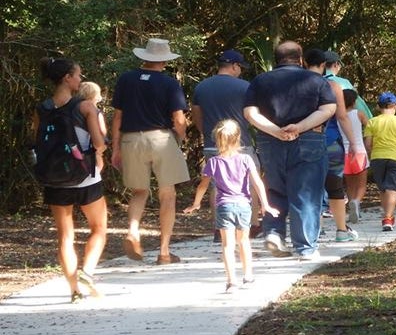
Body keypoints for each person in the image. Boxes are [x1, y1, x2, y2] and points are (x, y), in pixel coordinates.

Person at [243, 41, 338, 261]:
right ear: (301, 58)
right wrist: (300, 127)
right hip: (308, 139)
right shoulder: (315, 80)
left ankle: (275, 234)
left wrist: (275, 131)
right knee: (306, 192)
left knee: (275, 190)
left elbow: (250, 113)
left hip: (269, 141)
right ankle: (305, 247)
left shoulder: (260, 81)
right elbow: (328, 108)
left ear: (276, 59)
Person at [33, 57, 108, 303]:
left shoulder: (42, 108)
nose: (80, 79)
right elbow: (98, 142)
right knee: (98, 228)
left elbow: (36, 144)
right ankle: (87, 272)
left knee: (65, 236)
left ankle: (74, 290)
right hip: (86, 177)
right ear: (67, 77)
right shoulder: (85, 106)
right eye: (77, 75)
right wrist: (99, 154)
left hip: (54, 179)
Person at [111, 38, 191, 265]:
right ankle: (164, 252)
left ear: (144, 57)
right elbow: (178, 118)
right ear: (164, 60)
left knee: (139, 191)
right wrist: (182, 136)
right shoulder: (169, 83)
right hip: (161, 138)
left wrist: (115, 147)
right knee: (168, 195)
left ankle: (133, 231)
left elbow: (118, 117)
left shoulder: (126, 79)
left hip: (131, 139)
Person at [182, 119, 279, 293]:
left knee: (227, 245)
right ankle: (248, 276)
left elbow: (203, 186)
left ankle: (231, 281)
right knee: (244, 242)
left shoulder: (213, 162)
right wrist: (265, 205)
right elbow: (257, 183)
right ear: (238, 138)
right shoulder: (246, 159)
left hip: (224, 206)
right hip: (243, 206)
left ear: (217, 140)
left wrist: (196, 203)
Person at [191, 49, 260, 240]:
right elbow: (251, 114)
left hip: (212, 143)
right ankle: (252, 224)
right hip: (241, 143)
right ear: (234, 66)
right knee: (249, 183)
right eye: (240, 67)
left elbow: (196, 114)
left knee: (216, 184)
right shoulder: (245, 87)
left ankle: (219, 229)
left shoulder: (201, 87)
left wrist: (206, 132)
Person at [304, 48, 360, 242]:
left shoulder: (297, 85)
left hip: (305, 142)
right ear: (323, 65)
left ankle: (315, 229)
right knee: (335, 186)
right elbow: (342, 116)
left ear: (304, 63)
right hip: (331, 141)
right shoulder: (333, 85)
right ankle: (341, 231)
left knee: (312, 187)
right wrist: (353, 143)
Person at [363, 92, 396, 231]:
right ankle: (388, 217)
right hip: (395, 157)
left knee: (383, 188)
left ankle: (387, 215)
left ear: (378, 106)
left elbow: (368, 144)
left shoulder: (372, 121)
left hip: (377, 157)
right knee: (392, 188)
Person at [342, 88, 370, 223]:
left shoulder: (338, 116)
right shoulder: (359, 114)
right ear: (354, 102)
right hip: (359, 151)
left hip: (344, 153)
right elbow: (370, 127)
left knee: (350, 184)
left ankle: (352, 205)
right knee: (362, 184)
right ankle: (356, 202)